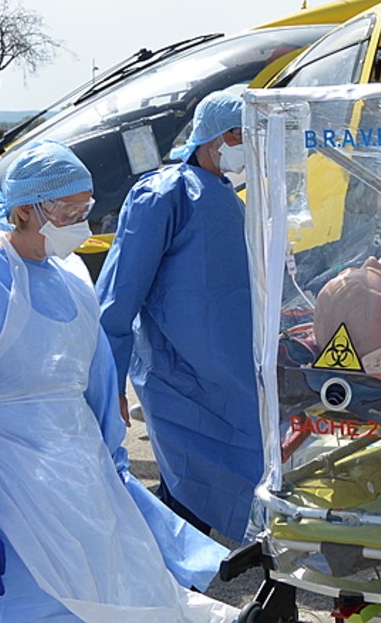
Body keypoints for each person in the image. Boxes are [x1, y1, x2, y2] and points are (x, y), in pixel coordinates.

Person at [0, 140, 231, 621]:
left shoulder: (73, 279)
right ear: (22, 212)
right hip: (6, 480)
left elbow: (97, 382)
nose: (79, 224)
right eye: (66, 212)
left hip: (80, 471)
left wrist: (113, 464)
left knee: (115, 595)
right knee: (31, 601)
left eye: (85, 209)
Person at [97, 90, 262, 542]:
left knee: (231, 471)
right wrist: (105, 383)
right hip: (179, 372)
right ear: (218, 136)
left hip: (233, 374)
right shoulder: (163, 193)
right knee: (189, 480)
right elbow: (119, 295)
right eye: (244, 135)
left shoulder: (229, 197)